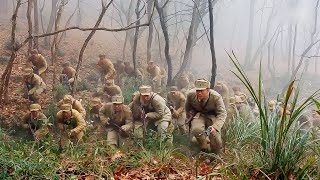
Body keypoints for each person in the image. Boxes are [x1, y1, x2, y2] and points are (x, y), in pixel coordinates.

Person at [185, 79, 227, 154]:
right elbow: (187, 108)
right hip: (199, 115)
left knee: (216, 140)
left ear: (208, 90)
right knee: (196, 129)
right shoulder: (191, 95)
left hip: (213, 116)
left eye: (202, 91)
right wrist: (189, 115)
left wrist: (215, 127)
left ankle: (215, 155)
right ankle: (204, 148)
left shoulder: (216, 97)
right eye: (197, 90)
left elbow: (222, 113)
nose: (199, 93)